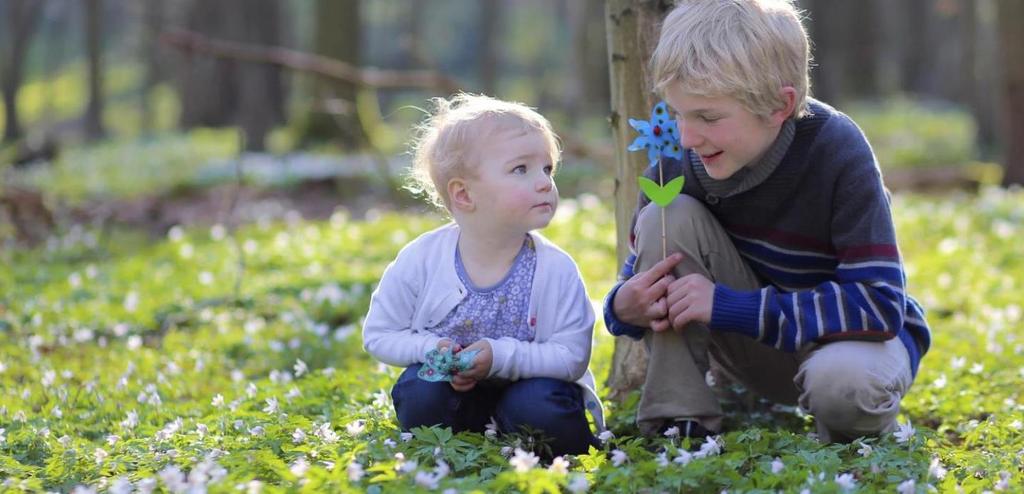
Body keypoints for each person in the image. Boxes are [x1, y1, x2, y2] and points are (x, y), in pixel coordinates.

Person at [603, 0, 930, 443]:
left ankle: (858, 429)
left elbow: (879, 305)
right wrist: (623, 307)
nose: (686, 136)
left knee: (843, 386)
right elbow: (635, 283)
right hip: (757, 347)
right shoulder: (675, 165)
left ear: (780, 105)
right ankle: (679, 423)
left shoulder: (837, 150)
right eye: (678, 114)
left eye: (708, 117)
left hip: (849, 345)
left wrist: (727, 307)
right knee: (669, 212)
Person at [363, 93, 603, 456]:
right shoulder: (421, 260)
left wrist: (500, 356)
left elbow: (571, 357)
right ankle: (454, 446)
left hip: (528, 392)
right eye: (521, 169)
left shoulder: (555, 269)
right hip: (456, 396)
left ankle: (529, 438)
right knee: (420, 390)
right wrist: (431, 348)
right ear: (463, 195)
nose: (544, 183)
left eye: (547, 169)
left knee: (541, 405)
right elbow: (379, 334)